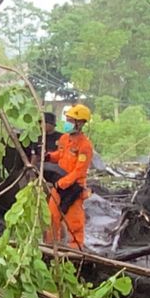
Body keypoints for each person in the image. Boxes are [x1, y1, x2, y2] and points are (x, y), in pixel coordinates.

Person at [46, 104, 94, 250]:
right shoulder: (64, 139)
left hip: (73, 188)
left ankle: (76, 250)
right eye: (67, 119)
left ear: (80, 123)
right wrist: (48, 156)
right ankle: (51, 247)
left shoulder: (85, 146)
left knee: (74, 223)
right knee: (52, 217)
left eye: (71, 121)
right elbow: (59, 155)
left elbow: (79, 171)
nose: (67, 123)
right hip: (59, 186)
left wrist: (63, 183)